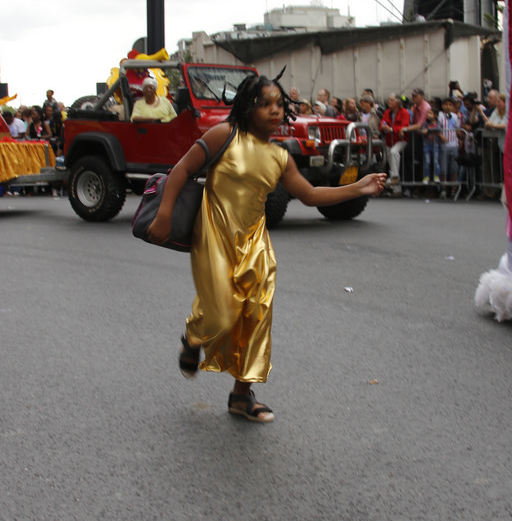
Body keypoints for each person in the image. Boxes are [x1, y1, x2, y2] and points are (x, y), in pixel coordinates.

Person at [146, 73, 386, 422]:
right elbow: (182, 169)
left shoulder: (279, 156)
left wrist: (358, 187)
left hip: (256, 245)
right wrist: (164, 214)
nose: (275, 110)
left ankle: (241, 396)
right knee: (221, 313)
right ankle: (193, 338)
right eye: (265, 104)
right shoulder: (224, 135)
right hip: (214, 237)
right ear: (248, 107)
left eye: (279, 104)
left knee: (256, 316)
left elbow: (309, 195)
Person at [379, 93, 410, 188]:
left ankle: (395, 176)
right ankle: (396, 189)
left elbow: (404, 125)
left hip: (400, 140)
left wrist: (392, 129)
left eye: (391, 100)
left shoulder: (404, 112)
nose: (389, 102)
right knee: (391, 162)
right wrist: (383, 127)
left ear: (398, 102)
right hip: (389, 140)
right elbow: (382, 122)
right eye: (389, 100)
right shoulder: (387, 112)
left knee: (394, 152)